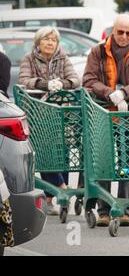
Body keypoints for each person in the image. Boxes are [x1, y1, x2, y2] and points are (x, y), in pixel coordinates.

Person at [83, 13, 129, 227]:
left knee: (127, 162)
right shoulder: (98, 51)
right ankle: (104, 210)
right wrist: (108, 93)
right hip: (103, 112)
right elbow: (88, 79)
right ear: (113, 31)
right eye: (120, 32)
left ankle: (123, 209)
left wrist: (125, 93)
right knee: (104, 161)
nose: (124, 36)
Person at [18, 26, 81, 215]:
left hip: (61, 113)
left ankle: (55, 194)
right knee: (46, 151)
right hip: (38, 113)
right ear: (38, 42)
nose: (50, 43)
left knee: (62, 151)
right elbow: (24, 80)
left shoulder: (63, 58)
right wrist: (44, 84)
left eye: (53, 40)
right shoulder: (29, 59)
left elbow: (75, 80)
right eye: (46, 39)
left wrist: (62, 83)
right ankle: (60, 186)